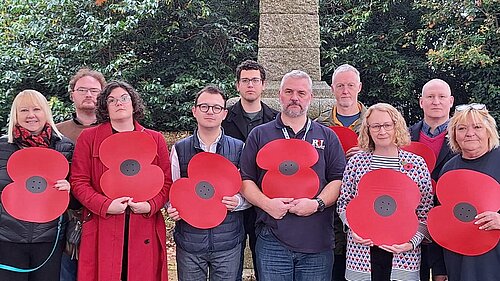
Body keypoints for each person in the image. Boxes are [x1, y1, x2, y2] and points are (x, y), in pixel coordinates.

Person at [240, 70, 347, 281]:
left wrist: (316, 204)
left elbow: (338, 179)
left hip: (317, 239)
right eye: (289, 91)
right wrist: (267, 204)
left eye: (301, 92)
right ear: (280, 95)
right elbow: (245, 180)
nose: (294, 98)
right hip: (272, 238)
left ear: (310, 97)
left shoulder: (327, 136)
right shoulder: (260, 134)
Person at [70, 81, 171, 281]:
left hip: (143, 224)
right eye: (112, 100)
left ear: (133, 103)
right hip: (103, 224)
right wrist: (105, 205)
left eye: (124, 98)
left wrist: (149, 205)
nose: (119, 103)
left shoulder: (155, 139)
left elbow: (166, 183)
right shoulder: (89, 138)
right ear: (105, 107)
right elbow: (79, 182)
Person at [337, 103, 434, 281]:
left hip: (403, 255)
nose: (382, 131)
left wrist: (410, 243)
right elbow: (344, 203)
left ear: (397, 126)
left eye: (387, 125)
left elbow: (425, 212)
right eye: (375, 126)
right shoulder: (357, 163)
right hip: (362, 253)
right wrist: (353, 229)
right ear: (368, 129)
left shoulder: (416, 164)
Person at [167, 85, 250, 281]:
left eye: (216, 108)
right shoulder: (180, 149)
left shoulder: (239, 148)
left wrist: (239, 202)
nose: (210, 112)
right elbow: (172, 188)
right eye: (204, 107)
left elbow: (250, 189)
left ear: (224, 113)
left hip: (228, 241)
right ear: (194, 111)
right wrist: (172, 207)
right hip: (190, 241)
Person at [0, 90, 74, 281]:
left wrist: (69, 189)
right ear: (15, 114)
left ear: (46, 112)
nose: (30, 115)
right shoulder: (2, 147)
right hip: (8, 238)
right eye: (24, 110)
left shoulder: (64, 147)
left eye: (36, 109)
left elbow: (77, 194)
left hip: (49, 239)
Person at [221, 60, 278, 281]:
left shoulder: (276, 119)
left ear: (263, 85)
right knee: (230, 265)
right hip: (231, 199)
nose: (250, 85)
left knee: (265, 261)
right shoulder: (223, 118)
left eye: (255, 80)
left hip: (264, 199)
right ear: (237, 85)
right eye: (245, 80)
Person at [316, 64, 367, 281]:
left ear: (359, 87)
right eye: (340, 86)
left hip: (366, 204)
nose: (345, 91)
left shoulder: (375, 122)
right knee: (334, 266)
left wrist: (368, 153)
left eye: (350, 85)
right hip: (330, 207)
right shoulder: (320, 125)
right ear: (332, 89)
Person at [438, 103, 499, 281]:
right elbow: (439, 219)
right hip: (458, 262)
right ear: (454, 135)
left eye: (477, 127)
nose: (469, 133)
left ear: (489, 130)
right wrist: (440, 268)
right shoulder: (449, 169)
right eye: (462, 128)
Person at [56, 67, 106, 281]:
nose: (88, 95)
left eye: (94, 90)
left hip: (104, 214)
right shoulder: (56, 132)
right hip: (64, 216)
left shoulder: (115, 130)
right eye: (82, 89)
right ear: (72, 94)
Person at [409, 79, 455, 281]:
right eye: (430, 97)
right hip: (410, 224)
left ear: (451, 101)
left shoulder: (464, 135)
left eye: (441, 97)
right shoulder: (405, 137)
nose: (436, 101)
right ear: (421, 102)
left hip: (450, 224)